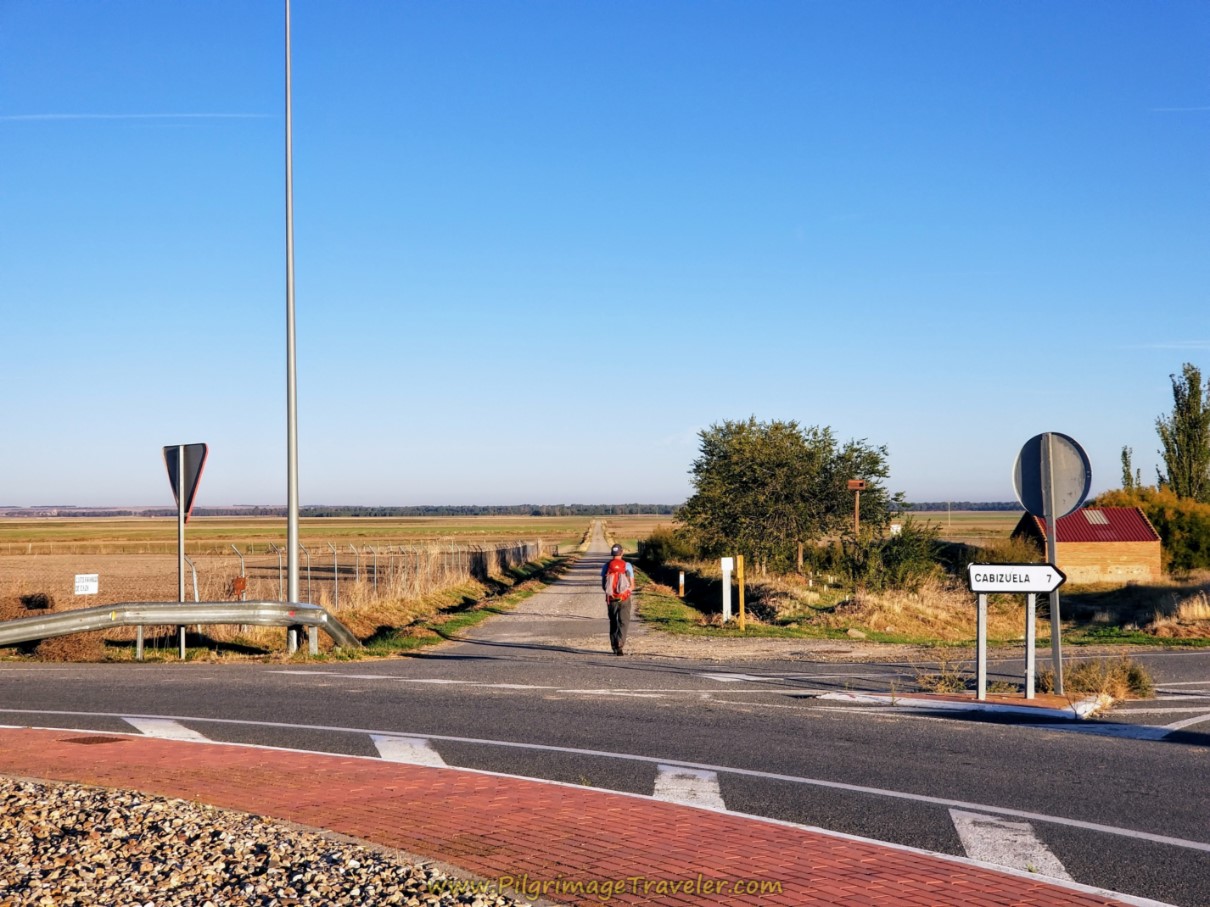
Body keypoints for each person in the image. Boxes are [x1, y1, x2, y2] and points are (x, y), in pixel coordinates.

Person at [600, 543, 635, 655]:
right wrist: (626, 592)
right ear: (622, 553)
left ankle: (614, 646)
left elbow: (604, 585)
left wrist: (612, 593)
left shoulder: (606, 566)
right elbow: (632, 585)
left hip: (611, 599)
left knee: (613, 621)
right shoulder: (627, 565)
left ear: (612, 553)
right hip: (624, 598)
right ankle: (620, 643)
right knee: (624, 621)